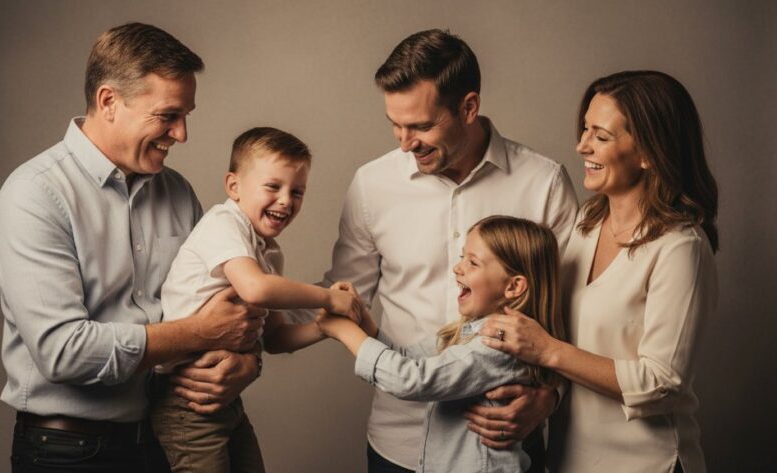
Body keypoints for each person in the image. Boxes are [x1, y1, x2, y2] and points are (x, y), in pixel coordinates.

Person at [0, 23, 265, 473]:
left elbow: (227, 310)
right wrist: (201, 333)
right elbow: (63, 351)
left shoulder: (178, 192)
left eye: (186, 115)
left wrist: (245, 363)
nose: (182, 134)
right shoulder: (34, 194)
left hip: (165, 440)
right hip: (67, 453)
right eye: (168, 115)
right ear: (108, 102)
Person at [303, 29, 579, 472]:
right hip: (398, 444)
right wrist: (251, 324)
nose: (404, 142)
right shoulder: (372, 184)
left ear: (468, 107)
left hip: (502, 448)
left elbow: (570, 313)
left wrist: (551, 397)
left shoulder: (543, 183)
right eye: (395, 124)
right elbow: (340, 295)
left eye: (421, 126)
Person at [480, 70, 719, 472]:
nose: (581, 145)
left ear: (648, 154)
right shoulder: (586, 223)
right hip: (571, 458)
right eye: (585, 129)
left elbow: (662, 383)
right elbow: (575, 346)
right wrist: (547, 395)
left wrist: (548, 350)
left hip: (648, 464)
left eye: (601, 136)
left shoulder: (681, 248)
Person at [150, 127, 361, 472]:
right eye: (273, 186)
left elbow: (274, 338)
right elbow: (255, 290)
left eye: (297, 191)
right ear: (234, 186)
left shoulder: (269, 253)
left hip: (227, 399)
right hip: (187, 401)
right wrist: (329, 298)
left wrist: (324, 328)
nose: (286, 200)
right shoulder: (223, 224)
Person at [317, 216, 565, 473]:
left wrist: (344, 331)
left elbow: (410, 379)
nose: (458, 268)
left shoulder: (498, 346)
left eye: (473, 262)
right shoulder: (472, 330)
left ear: (514, 286)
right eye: (462, 257)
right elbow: (407, 357)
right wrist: (363, 323)